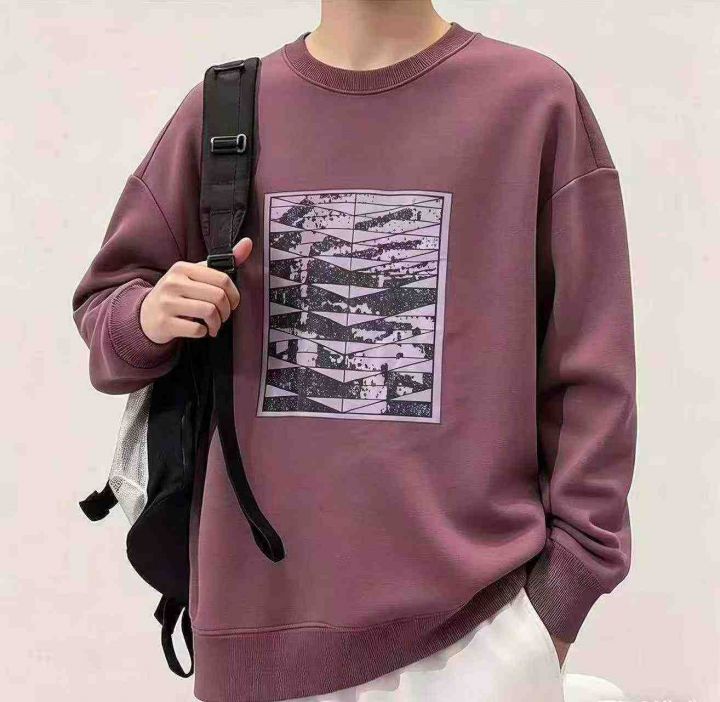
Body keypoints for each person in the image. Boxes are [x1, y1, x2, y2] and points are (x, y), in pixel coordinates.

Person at [71, 1, 637, 701]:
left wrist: (558, 605)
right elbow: (106, 311)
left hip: (478, 636)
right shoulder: (224, 113)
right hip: (257, 641)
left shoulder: (532, 103)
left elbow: (593, 375)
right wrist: (151, 315)